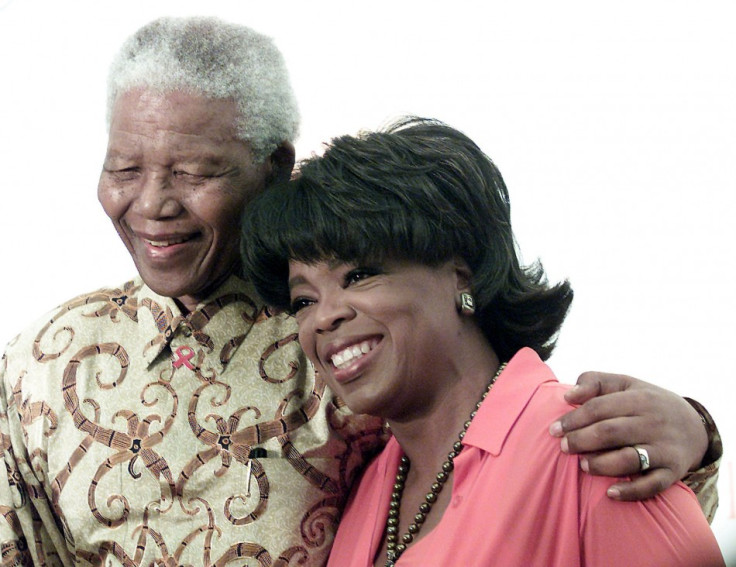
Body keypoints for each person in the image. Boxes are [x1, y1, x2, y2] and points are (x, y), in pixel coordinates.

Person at [0, 16, 720, 567]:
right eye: (124, 167)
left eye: (193, 171)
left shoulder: (339, 355)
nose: (152, 203)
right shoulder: (39, 364)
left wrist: (693, 434)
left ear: (275, 168)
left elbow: (536, 469)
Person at [239, 117, 725, 566]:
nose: (325, 317)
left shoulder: (591, 447)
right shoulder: (366, 489)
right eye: (303, 301)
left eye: (360, 274)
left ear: (461, 278)